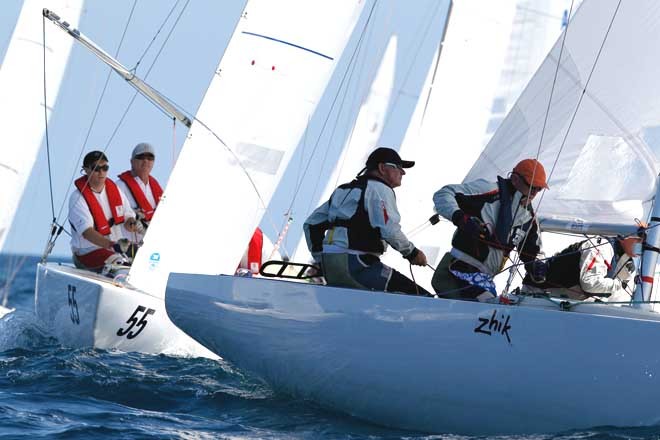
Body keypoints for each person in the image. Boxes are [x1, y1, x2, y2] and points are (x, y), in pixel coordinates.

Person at [303, 147, 431, 296]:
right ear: (382, 168)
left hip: (331, 266)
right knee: (421, 297)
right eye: (398, 167)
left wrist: (321, 258)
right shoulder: (380, 189)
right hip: (357, 264)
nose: (403, 172)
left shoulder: (343, 190)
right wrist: (413, 253)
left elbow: (311, 224)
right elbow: (390, 230)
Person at [432, 158, 549, 301]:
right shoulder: (488, 190)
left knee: (495, 308)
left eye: (539, 188)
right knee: (488, 309)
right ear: (514, 179)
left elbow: (533, 253)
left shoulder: (529, 219)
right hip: (455, 271)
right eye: (531, 185)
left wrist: (537, 267)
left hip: (483, 280)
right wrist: (460, 218)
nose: (534, 192)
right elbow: (443, 194)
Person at [69, 150, 140, 273]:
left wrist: (132, 223)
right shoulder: (77, 198)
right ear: (86, 170)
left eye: (105, 167)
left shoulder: (115, 190)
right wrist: (111, 245)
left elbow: (128, 216)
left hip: (116, 249)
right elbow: (87, 232)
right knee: (121, 267)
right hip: (88, 252)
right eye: (96, 168)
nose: (101, 172)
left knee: (147, 259)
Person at [521, 235, 639, 303]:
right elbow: (590, 284)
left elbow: (614, 298)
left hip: (567, 304)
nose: (642, 245)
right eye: (640, 239)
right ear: (629, 235)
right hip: (537, 295)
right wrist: (618, 284)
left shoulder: (627, 264)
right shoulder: (602, 247)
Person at [115, 142, 163, 243]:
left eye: (150, 158)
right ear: (132, 161)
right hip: (128, 247)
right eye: (141, 157)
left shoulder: (156, 187)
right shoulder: (119, 187)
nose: (146, 161)